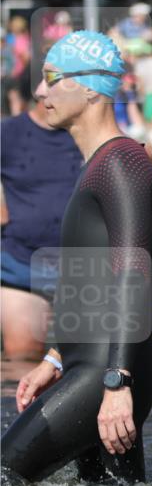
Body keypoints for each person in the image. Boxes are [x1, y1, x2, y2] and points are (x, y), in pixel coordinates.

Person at [2, 31, 152, 484]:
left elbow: (134, 278)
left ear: (91, 88)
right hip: (94, 367)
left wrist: (116, 382)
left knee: (3, 480)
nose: (39, 91)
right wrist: (55, 357)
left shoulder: (122, 163)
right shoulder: (98, 164)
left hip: (107, 373)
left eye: (52, 78)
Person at [1, 97, 83, 362]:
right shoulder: (9, 133)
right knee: (23, 361)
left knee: (85, 365)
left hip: (83, 269)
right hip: (21, 264)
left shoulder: (89, 134)